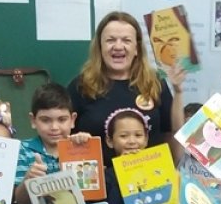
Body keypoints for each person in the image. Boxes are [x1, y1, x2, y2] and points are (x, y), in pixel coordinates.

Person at [68, 11, 185, 159]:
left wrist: (179, 91)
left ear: (136, 48)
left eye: (126, 40)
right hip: (99, 179)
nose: (118, 46)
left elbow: (172, 132)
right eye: (110, 40)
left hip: (150, 177)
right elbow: (62, 135)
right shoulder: (81, 86)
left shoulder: (154, 82)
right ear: (100, 47)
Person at [101, 107, 151, 204]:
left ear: (146, 139)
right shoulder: (105, 177)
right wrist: (122, 171)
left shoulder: (156, 171)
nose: (132, 141)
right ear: (110, 141)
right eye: (124, 136)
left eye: (138, 135)